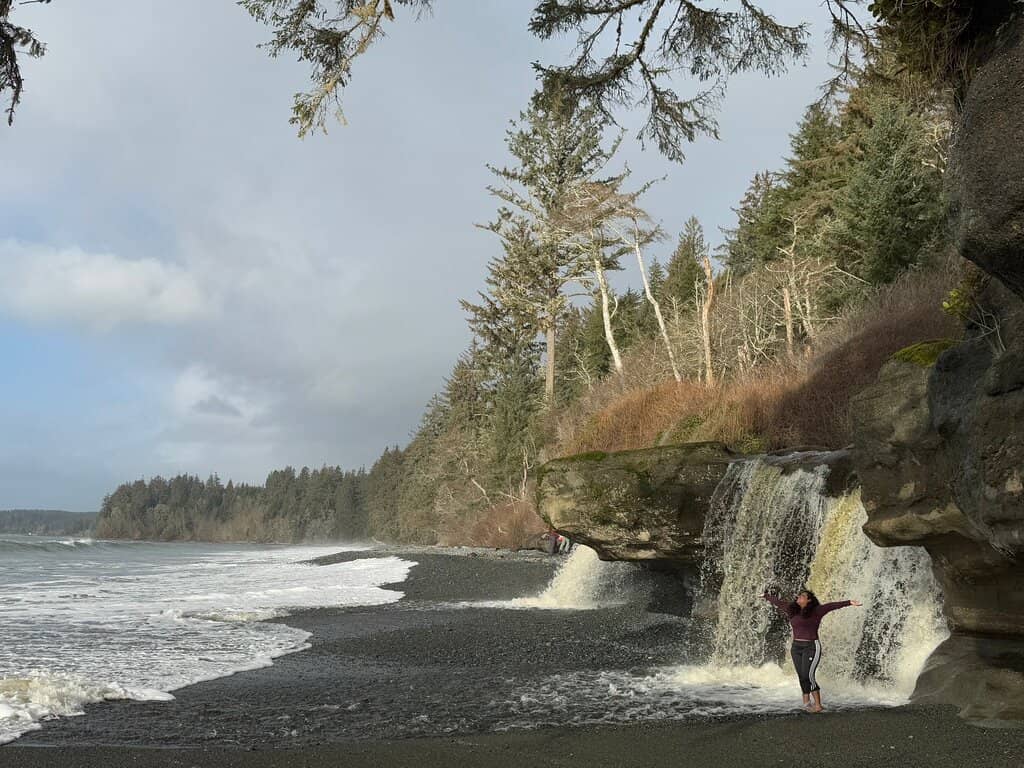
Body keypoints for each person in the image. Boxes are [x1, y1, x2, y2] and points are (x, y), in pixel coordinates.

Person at [762, 588, 863, 713]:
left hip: (811, 647)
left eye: (802, 596)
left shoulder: (817, 611)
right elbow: (778, 602)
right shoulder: (792, 610)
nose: (799, 597)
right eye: (798, 595)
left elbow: (831, 606)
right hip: (796, 648)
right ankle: (806, 703)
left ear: (809, 600)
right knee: (802, 676)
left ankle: (818, 705)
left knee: (808, 676)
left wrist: (849, 602)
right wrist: (766, 596)